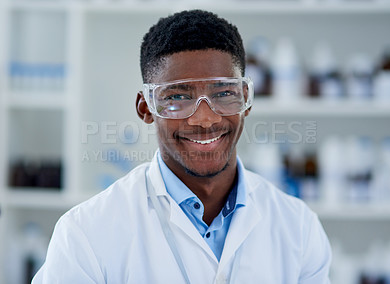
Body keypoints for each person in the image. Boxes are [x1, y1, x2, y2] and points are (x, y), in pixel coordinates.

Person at [33, 9, 331, 284]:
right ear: (145, 108)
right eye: (177, 98)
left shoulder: (298, 228)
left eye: (224, 93)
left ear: (245, 100)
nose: (204, 118)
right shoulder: (85, 234)